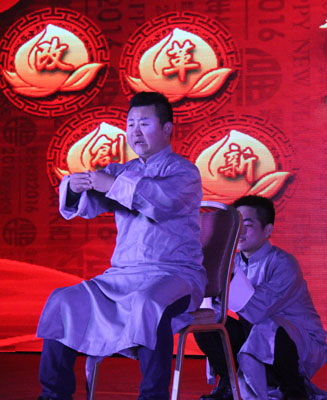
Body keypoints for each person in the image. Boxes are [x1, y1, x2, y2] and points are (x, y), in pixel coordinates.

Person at [36, 92, 206, 400]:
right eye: (130, 124)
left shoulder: (185, 172)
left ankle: (152, 396)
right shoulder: (121, 171)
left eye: (144, 123)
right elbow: (87, 205)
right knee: (63, 300)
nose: (135, 132)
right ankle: (53, 395)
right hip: (122, 275)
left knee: (148, 303)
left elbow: (161, 203)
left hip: (174, 274)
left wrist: (112, 184)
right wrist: (73, 187)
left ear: (167, 128)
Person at [194, 195, 327, 400]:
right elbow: (214, 304)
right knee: (207, 324)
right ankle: (230, 383)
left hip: (297, 340)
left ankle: (294, 389)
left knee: (269, 327)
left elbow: (256, 311)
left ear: (267, 230)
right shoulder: (234, 261)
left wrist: (228, 274)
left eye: (247, 225)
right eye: (236, 225)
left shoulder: (283, 263)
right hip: (254, 333)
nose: (240, 232)